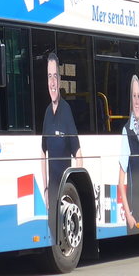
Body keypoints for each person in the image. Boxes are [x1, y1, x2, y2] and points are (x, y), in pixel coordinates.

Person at [40, 51, 82, 237]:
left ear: (60, 79)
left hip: (65, 192)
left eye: (55, 76)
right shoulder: (48, 112)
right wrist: (46, 187)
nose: (52, 82)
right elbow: (42, 152)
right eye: (49, 77)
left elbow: (78, 154)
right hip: (52, 190)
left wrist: (76, 189)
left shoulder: (66, 111)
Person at [117, 74, 139, 234]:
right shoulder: (126, 131)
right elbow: (121, 182)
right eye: (134, 96)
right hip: (133, 212)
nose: (137, 101)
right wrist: (128, 215)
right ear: (130, 101)